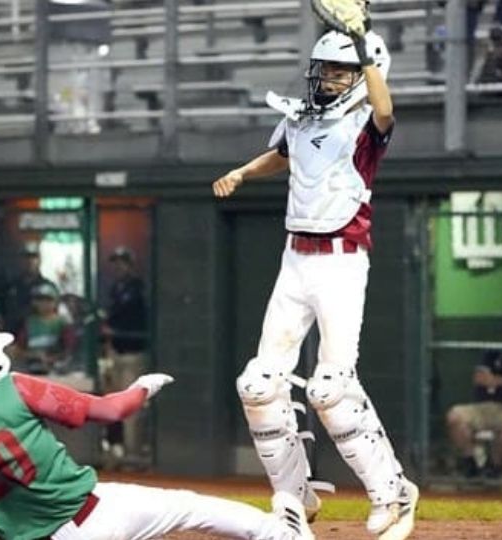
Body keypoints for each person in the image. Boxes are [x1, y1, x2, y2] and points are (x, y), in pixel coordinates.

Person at [212, 23, 418, 540]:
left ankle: (393, 492)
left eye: (339, 70)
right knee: (258, 384)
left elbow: (387, 111)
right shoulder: (301, 119)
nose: (327, 78)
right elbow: (281, 157)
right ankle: (296, 497)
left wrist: (367, 52)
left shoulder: (368, 123)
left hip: (341, 260)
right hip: (294, 257)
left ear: (364, 72)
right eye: (325, 68)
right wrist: (240, 172)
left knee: (331, 388)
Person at [0, 313, 314, 540]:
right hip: (94, 516)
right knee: (190, 507)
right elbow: (110, 412)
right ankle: (282, 536)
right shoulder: (14, 389)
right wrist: (141, 389)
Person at [445, 319, 502, 477]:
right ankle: (470, 463)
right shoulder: (494, 352)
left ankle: (495, 468)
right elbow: (481, 379)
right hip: (482, 407)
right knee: (455, 416)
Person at [101, 246, 149, 466]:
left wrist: (113, 328)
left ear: (130, 264)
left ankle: (134, 455)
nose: (118, 266)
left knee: (131, 408)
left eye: (123, 262)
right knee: (113, 404)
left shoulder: (138, 288)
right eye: (116, 262)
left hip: (134, 352)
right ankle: (117, 451)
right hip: (117, 352)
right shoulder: (116, 288)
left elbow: (131, 316)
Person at [14, 282, 76, 375]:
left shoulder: (62, 323)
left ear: (56, 302)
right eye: (40, 300)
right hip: (31, 369)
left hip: (57, 369)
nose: (44, 304)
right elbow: (18, 350)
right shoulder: (29, 323)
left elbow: (70, 349)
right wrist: (34, 355)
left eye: (48, 300)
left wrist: (53, 358)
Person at [1, 243, 58, 335]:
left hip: (38, 336)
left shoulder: (48, 286)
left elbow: (54, 315)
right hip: (12, 336)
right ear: (20, 260)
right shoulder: (10, 286)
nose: (30, 261)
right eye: (26, 257)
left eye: (33, 257)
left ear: (39, 260)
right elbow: (1, 313)